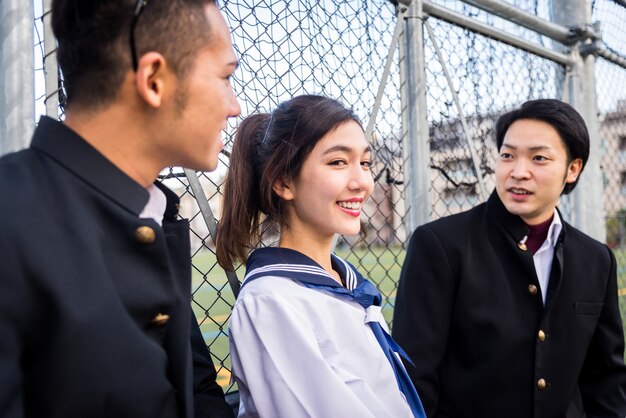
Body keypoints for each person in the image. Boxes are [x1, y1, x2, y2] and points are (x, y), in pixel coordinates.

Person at [0, 0, 240, 417]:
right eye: (225, 77)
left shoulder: (153, 215)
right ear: (153, 80)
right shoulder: (11, 220)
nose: (234, 105)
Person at [393, 99, 626, 418]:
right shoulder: (440, 246)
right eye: (507, 155)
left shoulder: (596, 259)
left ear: (573, 169)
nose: (518, 172)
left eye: (539, 158)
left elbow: (606, 381)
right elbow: (415, 379)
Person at [215, 95, 426, 417]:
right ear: (284, 182)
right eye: (338, 162)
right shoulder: (273, 302)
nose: (362, 183)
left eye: (365, 162)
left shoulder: (344, 282)